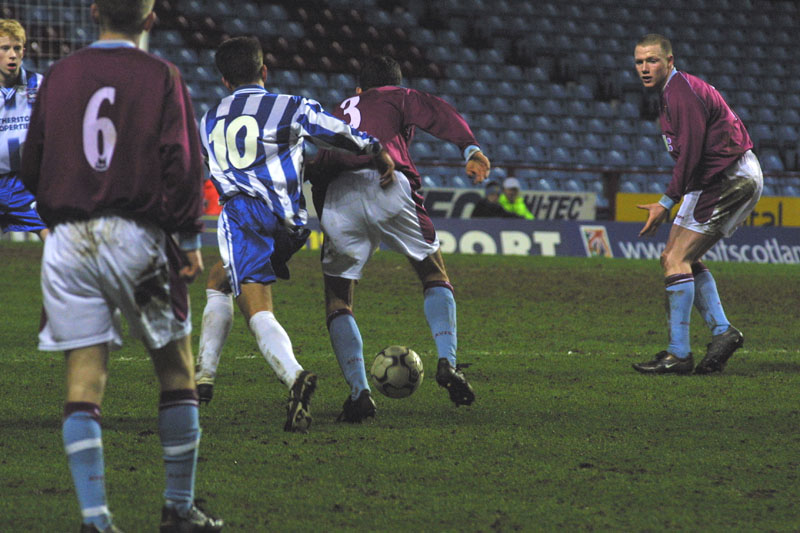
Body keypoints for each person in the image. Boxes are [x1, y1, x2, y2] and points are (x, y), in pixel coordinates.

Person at [20, 1, 224, 531]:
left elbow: (31, 158)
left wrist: (58, 213)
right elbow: (181, 161)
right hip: (135, 237)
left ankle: (95, 519)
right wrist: (187, 236)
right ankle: (177, 509)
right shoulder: (161, 75)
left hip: (67, 241)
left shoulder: (60, 74)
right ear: (150, 20)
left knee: (84, 379)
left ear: (92, 12)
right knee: (177, 368)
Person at [195, 37, 394, 430]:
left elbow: (215, 169)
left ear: (222, 79)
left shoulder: (208, 121)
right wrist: (376, 148)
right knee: (219, 279)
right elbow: (337, 131)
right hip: (291, 223)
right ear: (264, 71)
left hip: (244, 216)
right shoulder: (291, 106)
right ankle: (203, 376)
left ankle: (293, 376)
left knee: (257, 308)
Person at [307, 55, 491, 422]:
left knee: (338, 298)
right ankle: (448, 362)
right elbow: (436, 111)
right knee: (433, 273)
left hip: (339, 195)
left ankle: (360, 393)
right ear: (393, 84)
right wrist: (469, 148)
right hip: (389, 182)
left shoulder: (338, 110)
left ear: (359, 90)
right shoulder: (397, 96)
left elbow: (321, 164)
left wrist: (325, 213)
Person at [631, 34, 763, 375]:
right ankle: (722, 331)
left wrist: (665, 202)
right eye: (639, 62)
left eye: (652, 60)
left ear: (670, 61)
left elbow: (689, 154)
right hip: (712, 178)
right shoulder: (671, 93)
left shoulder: (681, 94)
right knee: (674, 258)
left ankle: (679, 354)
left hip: (728, 177)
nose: (644, 67)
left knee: (677, 258)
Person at [0, 19, 48, 240]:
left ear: (23, 51)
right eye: (5, 48)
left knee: (54, 238)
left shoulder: (39, 86)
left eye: (16, 48)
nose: (12, 54)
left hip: (26, 185)